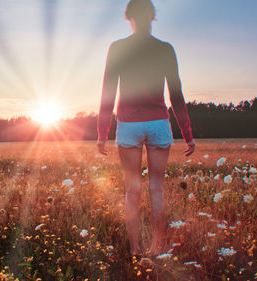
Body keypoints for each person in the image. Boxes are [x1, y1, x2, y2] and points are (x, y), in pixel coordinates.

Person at [97, 0, 195, 258]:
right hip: (158, 124)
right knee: (156, 190)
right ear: (153, 16)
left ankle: (134, 249)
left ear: (128, 16)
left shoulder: (117, 48)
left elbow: (108, 90)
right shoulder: (165, 49)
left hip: (128, 124)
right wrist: (187, 134)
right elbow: (176, 95)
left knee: (132, 190)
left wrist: (101, 133)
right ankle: (157, 247)